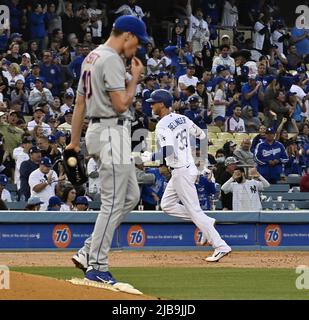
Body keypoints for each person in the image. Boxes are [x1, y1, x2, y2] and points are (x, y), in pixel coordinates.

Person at [68, 15, 146, 285]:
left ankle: (87, 250)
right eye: (137, 43)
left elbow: (79, 104)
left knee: (131, 196)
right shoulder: (112, 58)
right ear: (127, 36)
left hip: (101, 130)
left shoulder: (91, 57)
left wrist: (74, 142)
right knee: (113, 201)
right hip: (111, 131)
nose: (136, 49)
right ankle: (97, 266)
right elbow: (122, 104)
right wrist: (135, 78)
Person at [142, 89, 231, 262]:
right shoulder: (182, 118)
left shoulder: (162, 124)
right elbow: (201, 134)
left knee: (194, 210)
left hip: (181, 170)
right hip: (186, 168)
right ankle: (205, 221)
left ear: (162, 104)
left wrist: (150, 157)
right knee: (167, 205)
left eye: (153, 102)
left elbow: (168, 150)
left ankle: (220, 245)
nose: (151, 105)